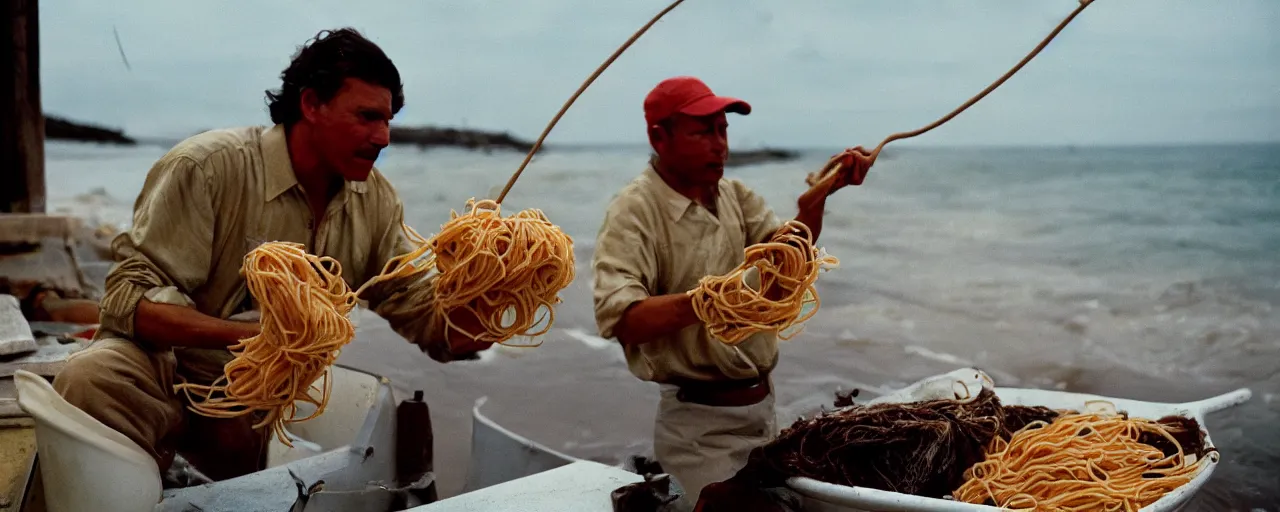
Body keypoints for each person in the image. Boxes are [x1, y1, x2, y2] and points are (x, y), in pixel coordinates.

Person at [51, 27, 492, 482]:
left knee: (239, 450)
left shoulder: (375, 200)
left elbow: (426, 314)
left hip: (249, 400)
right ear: (311, 105)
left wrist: (488, 305)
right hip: (162, 368)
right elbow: (126, 302)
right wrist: (263, 335)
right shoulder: (207, 167)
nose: (383, 137)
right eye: (366, 116)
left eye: (388, 120)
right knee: (91, 376)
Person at [591, 76, 873, 508]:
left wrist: (814, 203)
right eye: (703, 131)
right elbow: (623, 318)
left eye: (723, 130)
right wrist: (706, 302)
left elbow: (785, 266)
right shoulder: (634, 211)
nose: (720, 144)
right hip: (697, 429)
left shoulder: (735, 196)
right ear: (658, 137)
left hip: (763, 412)